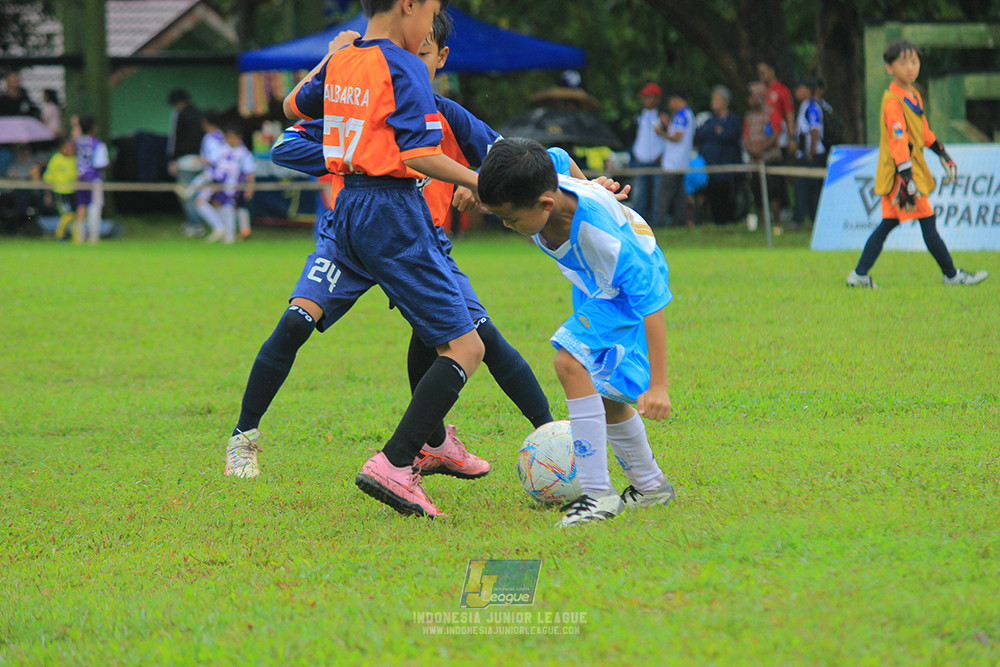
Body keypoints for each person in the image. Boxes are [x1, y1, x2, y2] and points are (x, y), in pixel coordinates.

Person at [228, 19, 557, 495]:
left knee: (482, 340)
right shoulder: (364, 103)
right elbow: (285, 142)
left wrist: (489, 181)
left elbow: (512, 162)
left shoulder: (447, 115)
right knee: (295, 323)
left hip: (422, 244)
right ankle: (243, 437)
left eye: (425, 55)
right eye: (409, 52)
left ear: (441, 58)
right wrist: (358, 154)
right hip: (352, 238)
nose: (414, 63)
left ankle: (550, 438)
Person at [478, 137, 675, 527]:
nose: (507, 226)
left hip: (621, 290)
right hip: (595, 284)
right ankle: (651, 486)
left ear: (545, 205)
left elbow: (652, 302)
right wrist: (588, 183)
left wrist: (659, 386)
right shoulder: (545, 174)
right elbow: (559, 156)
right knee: (603, 391)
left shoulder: (602, 239)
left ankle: (597, 493)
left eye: (513, 220)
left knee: (569, 363)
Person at [847, 40, 988, 288]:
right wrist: (908, 178)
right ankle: (952, 275)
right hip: (901, 177)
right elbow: (898, 141)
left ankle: (859, 275)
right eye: (903, 62)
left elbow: (923, 132)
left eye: (914, 61)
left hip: (905, 175)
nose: (910, 67)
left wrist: (943, 154)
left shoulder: (913, 95)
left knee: (888, 224)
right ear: (889, 67)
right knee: (928, 223)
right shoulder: (892, 101)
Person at [199, 122, 255, 244]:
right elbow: (213, 163)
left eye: (231, 137)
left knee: (228, 208)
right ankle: (222, 230)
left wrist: (249, 189)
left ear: (238, 137)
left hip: (233, 186)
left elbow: (250, 173)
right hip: (218, 183)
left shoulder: (244, 154)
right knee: (211, 203)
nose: (229, 140)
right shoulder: (223, 149)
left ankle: (229, 236)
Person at [694, 85, 743, 224]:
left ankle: (729, 221)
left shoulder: (733, 120)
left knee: (727, 197)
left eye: (716, 99)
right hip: (711, 169)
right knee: (713, 196)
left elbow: (730, 135)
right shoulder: (710, 121)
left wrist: (718, 133)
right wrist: (716, 131)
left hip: (727, 168)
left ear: (725, 101)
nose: (713, 103)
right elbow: (701, 134)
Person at [743, 81, 784, 228]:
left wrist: (761, 149)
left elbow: (776, 133)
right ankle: (762, 224)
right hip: (755, 161)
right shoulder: (749, 116)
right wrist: (751, 150)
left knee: (773, 193)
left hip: (770, 159)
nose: (749, 100)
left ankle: (776, 223)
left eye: (751, 96)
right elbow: (746, 137)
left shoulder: (772, 113)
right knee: (757, 192)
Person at [166, 88, 205, 237]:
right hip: (199, 160)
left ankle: (194, 225)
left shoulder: (179, 114)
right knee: (197, 193)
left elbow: (174, 138)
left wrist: (171, 159)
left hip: (184, 160)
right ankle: (197, 222)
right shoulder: (199, 113)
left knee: (186, 194)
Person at [654, 88, 695, 227]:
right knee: (679, 195)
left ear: (677, 99)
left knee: (664, 194)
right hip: (679, 162)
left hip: (673, 163)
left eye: (671, 101)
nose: (670, 104)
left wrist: (661, 133)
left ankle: (659, 222)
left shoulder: (682, 115)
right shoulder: (683, 115)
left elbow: (677, 137)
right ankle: (681, 221)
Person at [628, 82, 667, 224]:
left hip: (657, 161)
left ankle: (657, 224)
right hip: (641, 161)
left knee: (658, 197)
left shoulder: (663, 116)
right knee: (639, 197)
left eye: (650, 97)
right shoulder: (638, 117)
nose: (647, 101)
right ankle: (638, 225)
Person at [791, 77, 825, 228]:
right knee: (809, 187)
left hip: (813, 154)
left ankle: (801, 218)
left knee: (805, 187)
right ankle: (811, 218)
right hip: (808, 153)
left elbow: (815, 130)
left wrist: (810, 153)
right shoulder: (805, 105)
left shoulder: (812, 106)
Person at [73, 114, 110, 244]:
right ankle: (93, 237)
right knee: (94, 207)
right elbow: (100, 164)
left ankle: (79, 237)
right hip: (94, 179)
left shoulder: (76, 142)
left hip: (79, 178)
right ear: (94, 128)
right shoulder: (97, 144)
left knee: (81, 207)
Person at [756, 60, 795, 159]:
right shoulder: (760, 92)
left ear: (771, 71)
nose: (761, 76)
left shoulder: (782, 90)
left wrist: (792, 138)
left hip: (779, 138)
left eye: (763, 72)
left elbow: (789, 114)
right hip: (763, 138)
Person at [42, 138, 78, 240]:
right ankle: (60, 234)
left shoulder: (74, 160)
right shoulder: (56, 159)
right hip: (60, 192)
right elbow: (48, 178)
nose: (71, 149)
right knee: (67, 214)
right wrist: (47, 194)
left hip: (73, 191)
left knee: (74, 214)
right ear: (62, 148)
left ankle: (73, 236)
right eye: (69, 147)